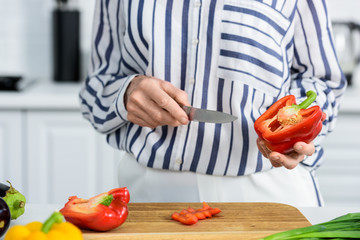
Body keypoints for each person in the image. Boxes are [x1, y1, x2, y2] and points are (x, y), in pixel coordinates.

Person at [79, 0, 347, 207]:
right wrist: (125, 94)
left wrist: (294, 132)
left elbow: (321, 80)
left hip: (267, 193)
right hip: (149, 197)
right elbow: (97, 87)